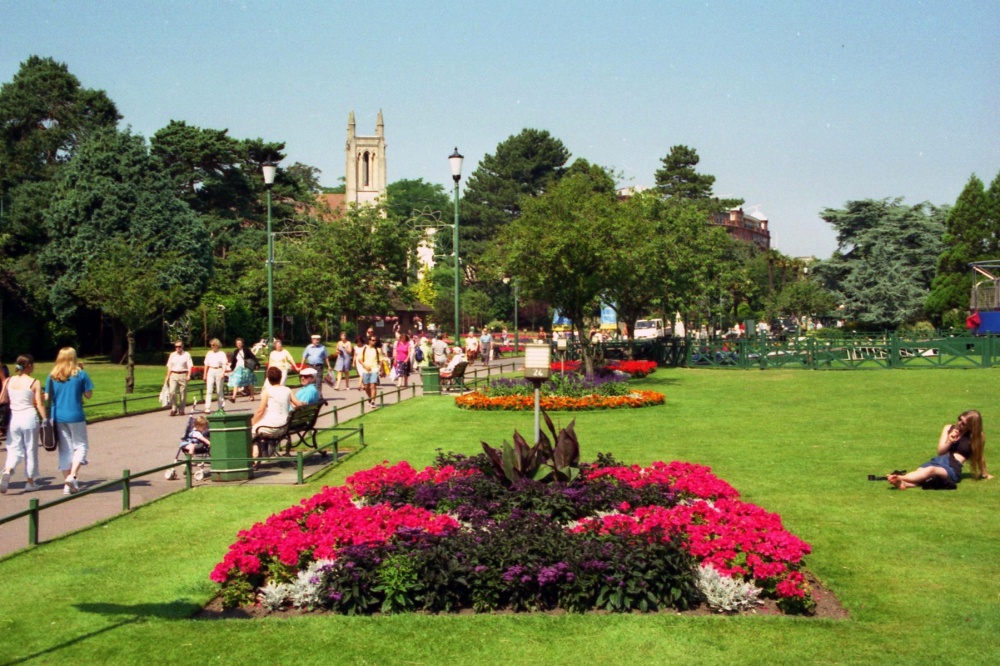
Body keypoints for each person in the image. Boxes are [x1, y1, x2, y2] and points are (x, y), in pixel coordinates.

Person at [888, 410, 992, 490]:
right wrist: (949, 440)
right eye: (959, 419)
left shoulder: (977, 437)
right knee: (922, 474)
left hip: (953, 467)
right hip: (937, 461)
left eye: (963, 423)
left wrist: (984, 474)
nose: (959, 423)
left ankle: (899, 478)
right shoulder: (949, 428)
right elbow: (940, 452)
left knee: (930, 470)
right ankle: (904, 483)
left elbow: (980, 456)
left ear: (971, 426)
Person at [45, 347, 93, 496]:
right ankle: (72, 476)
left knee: (65, 448)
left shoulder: (52, 376)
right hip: (75, 414)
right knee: (81, 445)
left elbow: (47, 397)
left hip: (58, 415)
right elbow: (89, 395)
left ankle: (67, 484)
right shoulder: (81, 374)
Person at [0, 354, 47, 494]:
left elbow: (2, 399)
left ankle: (8, 470)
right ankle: (30, 482)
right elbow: (39, 404)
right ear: (29, 365)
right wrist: (45, 419)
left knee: (13, 448)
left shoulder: (9, 380)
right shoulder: (34, 382)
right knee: (30, 450)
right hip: (29, 418)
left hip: (15, 419)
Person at [251, 366, 303, 460]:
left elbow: (260, 411)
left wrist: (251, 423)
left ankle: (255, 456)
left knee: (252, 430)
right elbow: (298, 404)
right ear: (281, 377)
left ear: (268, 379)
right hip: (284, 425)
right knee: (257, 429)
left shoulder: (267, 391)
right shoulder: (287, 390)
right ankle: (261, 454)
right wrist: (304, 403)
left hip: (272, 426)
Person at [165, 340, 193, 416]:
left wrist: (189, 375)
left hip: (183, 374)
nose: (177, 348)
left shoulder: (186, 354)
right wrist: (167, 376)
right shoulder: (172, 355)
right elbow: (169, 366)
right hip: (173, 375)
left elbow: (190, 366)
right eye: (176, 346)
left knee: (183, 394)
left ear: (182, 346)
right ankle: (174, 408)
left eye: (179, 346)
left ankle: (181, 409)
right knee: (172, 392)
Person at [357, 335, 384, 409]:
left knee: (373, 385)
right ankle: (370, 397)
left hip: (374, 369)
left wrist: (381, 370)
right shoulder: (364, 348)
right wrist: (364, 366)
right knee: (366, 387)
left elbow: (381, 360)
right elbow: (360, 359)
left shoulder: (377, 349)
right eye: (372, 340)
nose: (374, 342)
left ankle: (373, 401)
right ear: (369, 341)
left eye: (375, 340)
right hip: (366, 369)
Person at [228, 337, 258, 402]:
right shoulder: (236, 351)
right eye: (237, 343)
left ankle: (252, 396)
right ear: (236, 344)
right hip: (239, 368)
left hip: (246, 368)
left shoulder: (246, 350)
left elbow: (253, 356)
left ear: (242, 344)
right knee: (236, 382)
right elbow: (234, 361)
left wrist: (257, 364)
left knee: (250, 382)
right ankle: (233, 397)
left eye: (240, 343)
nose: (239, 344)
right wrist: (232, 367)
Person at [203, 338, 228, 413]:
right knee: (209, 389)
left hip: (219, 370)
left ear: (217, 345)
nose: (212, 346)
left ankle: (221, 406)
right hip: (211, 370)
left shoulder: (221, 354)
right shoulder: (209, 353)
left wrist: (223, 373)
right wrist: (204, 374)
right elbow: (206, 364)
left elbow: (224, 364)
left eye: (213, 345)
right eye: (211, 345)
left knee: (219, 390)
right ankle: (207, 407)